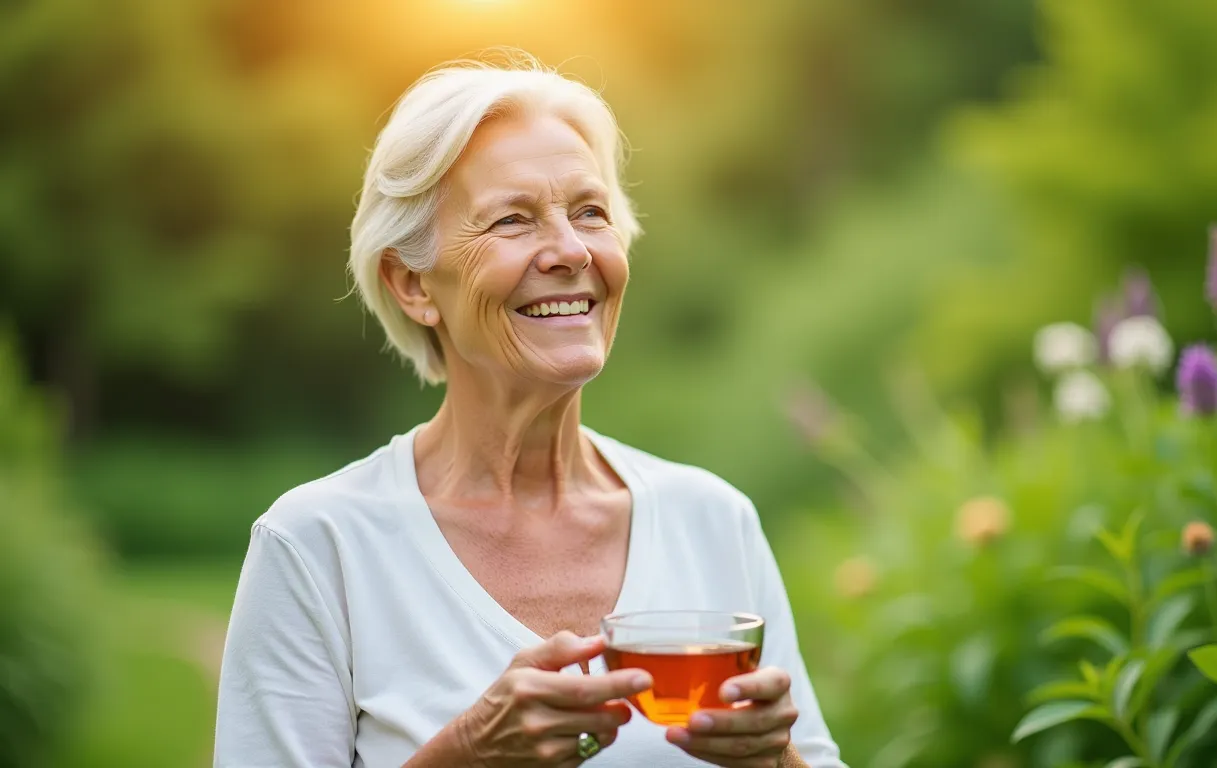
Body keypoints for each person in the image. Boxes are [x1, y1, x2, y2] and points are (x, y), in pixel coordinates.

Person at [214, 51, 845, 768]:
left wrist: (774, 759)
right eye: (514, 220)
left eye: (590, 212)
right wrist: (465, 754)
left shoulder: (713, 520)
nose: (571, 250)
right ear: (412, 284)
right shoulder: (318, 546)